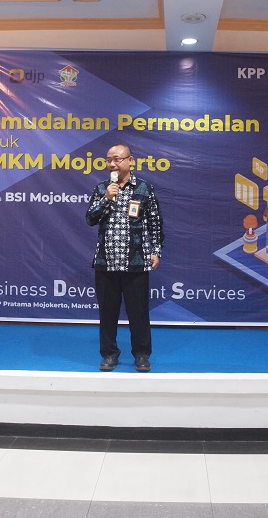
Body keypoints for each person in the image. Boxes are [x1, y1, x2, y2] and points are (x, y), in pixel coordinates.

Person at [85, 143, 164, 373]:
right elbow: (90, 219)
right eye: (109, 160)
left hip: (135, 261)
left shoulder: (144, 188)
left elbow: (155, 222)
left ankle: (141, 355)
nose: (112, 164)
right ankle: (109, 354)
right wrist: (106, 199)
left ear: (130, 161)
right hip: (106, 262)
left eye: (117, 159)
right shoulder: (102, 188)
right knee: (107, 313)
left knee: (138, 313)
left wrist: (156, 250)